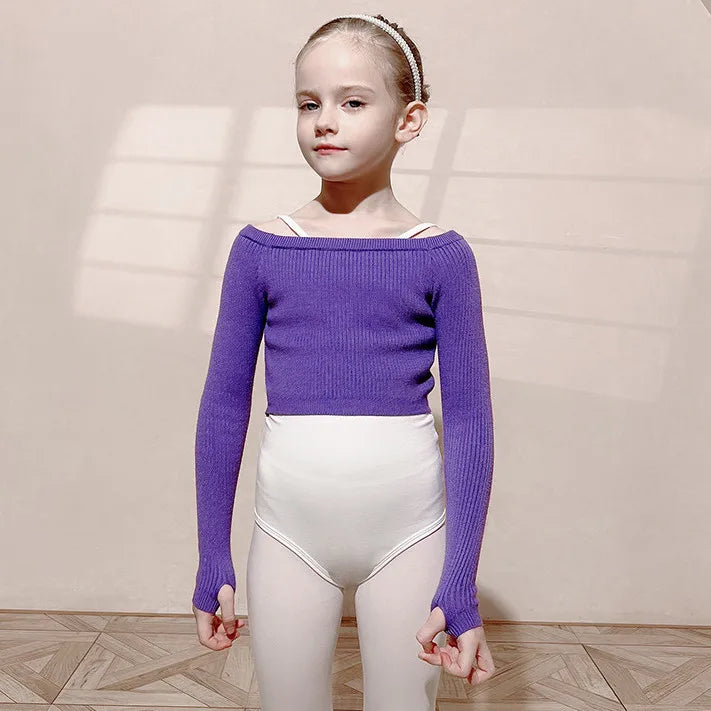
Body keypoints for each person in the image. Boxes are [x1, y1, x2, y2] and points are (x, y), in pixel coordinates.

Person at [190, 13, 496, 710]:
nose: (324, 121)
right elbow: (223, 407)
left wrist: (460, 581)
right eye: (308, 103)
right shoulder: (261, 249)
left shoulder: (442, 256)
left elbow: (471, 423)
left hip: (411, 536)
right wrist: (213, 554)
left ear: (409, 119)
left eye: (352, 102)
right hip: (288, 536)